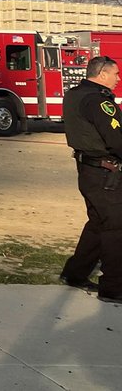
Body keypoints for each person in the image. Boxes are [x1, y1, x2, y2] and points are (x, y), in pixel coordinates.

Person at [59, 55, 122, 302]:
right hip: (105, 173)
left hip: (88, 171)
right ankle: (114, 287)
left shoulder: (75, 94)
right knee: (116, 228)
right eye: (116, 74)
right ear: (103, 74)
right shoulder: (99, 102)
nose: (118, 79)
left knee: (98, 223)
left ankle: (74, 274)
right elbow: (116, 140)